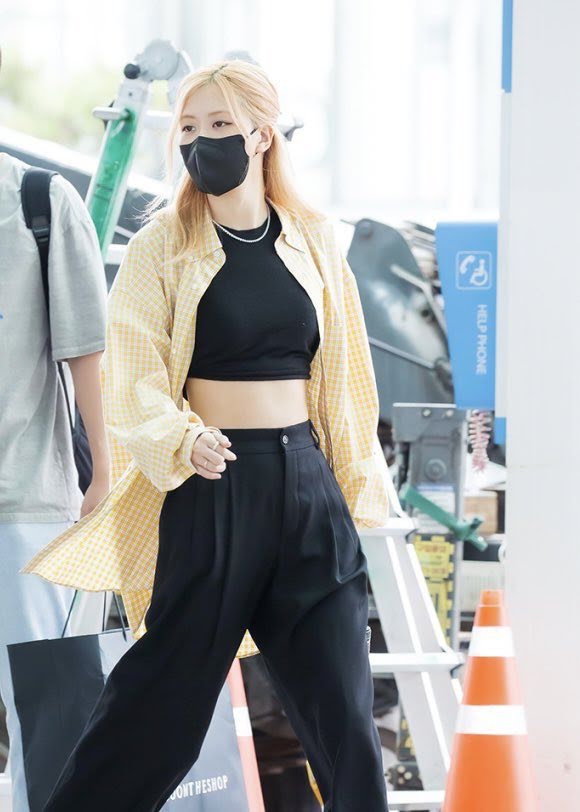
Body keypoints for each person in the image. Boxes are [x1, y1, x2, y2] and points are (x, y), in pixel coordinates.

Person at [25, 59, 392, 811]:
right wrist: (180, 438)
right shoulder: (162, 245)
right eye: (189, 129)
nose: (202, 142)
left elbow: (349, 374)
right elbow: (133, 372)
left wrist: (355, 491)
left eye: (221, 125)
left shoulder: (315, 239)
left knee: (345, 717)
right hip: (214, 484)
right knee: (159, 711)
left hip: (308, 488)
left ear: (261, 136)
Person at [0, 47, 110, 812]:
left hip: (28, 501)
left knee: (49, 713)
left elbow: (85, 353)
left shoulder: (39, 202)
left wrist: (102, 472)